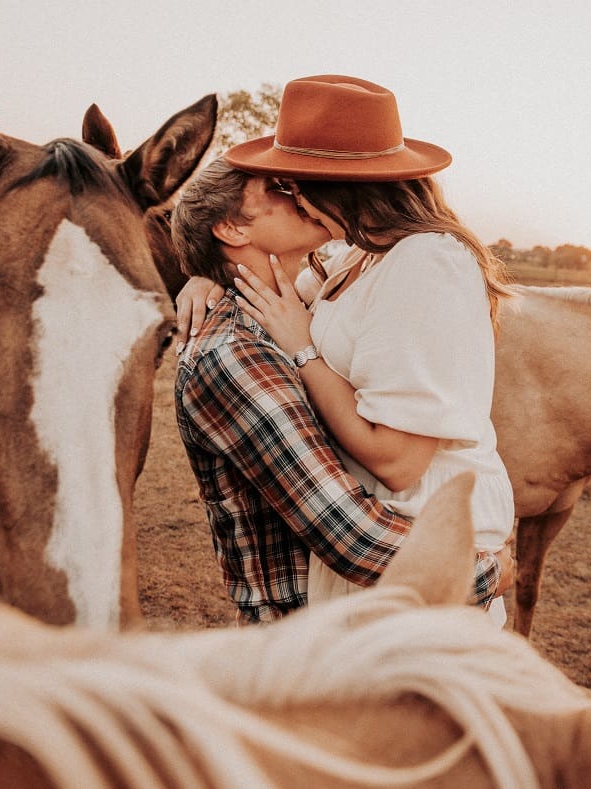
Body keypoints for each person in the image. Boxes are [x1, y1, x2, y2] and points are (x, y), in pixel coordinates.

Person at [220, 74, 516, 624]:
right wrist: (204, 272)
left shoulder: (425, 263)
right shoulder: (358, 257)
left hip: (417, 532)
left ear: (336, 187)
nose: (294, 199)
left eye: (292, 184)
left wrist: (304, 349)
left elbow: (398, 459)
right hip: (371, 531)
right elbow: (272, 280)